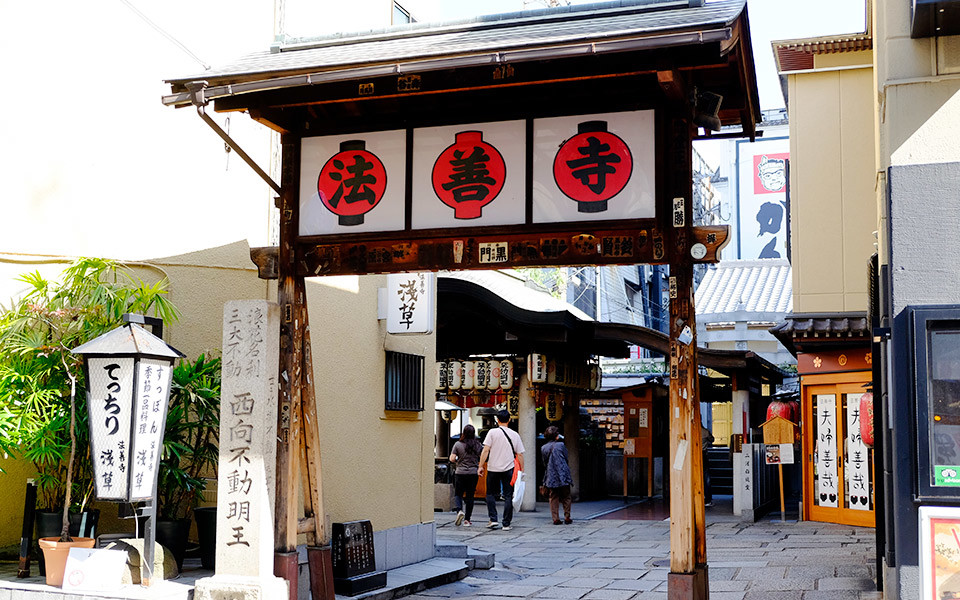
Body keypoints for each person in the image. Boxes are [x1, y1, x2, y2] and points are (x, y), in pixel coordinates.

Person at [478, 410, 524, 530]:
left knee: (490, 494)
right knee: (508, 495)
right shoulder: (515, 435)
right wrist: (521, 470)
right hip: (509, 468)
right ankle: (506, 523)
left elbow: (485, 450)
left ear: (497, 420)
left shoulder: (492, 433)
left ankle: (493, 519)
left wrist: (481, 466)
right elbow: (519, 455)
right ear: (509, 420)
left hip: (493, 468)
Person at [449, 424, 482, 527]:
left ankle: (459, 510)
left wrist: (458, 460)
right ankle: (467, 520)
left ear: (463, 433)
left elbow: (452, 458)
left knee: (458, 494)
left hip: (460, 472)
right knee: (470, 496)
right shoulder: (478, 445)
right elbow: (482, 457)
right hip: (473, 473)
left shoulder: (458, 444)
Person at [541, 425, 574, 525]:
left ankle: (555, 518)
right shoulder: (561, 445)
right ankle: (567, 517)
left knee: (553, 496)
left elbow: (544, 462)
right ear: (556, 436)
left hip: (551, 474)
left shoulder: (543, 448)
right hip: (562, 473)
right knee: (566, 495)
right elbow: (566, 457)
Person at [701, 422, 715, 507]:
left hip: (692, 455)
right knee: (706, 478)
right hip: (703, 455)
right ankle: (708, 500)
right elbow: (712, 440)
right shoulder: (705, 431)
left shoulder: (690, 430)